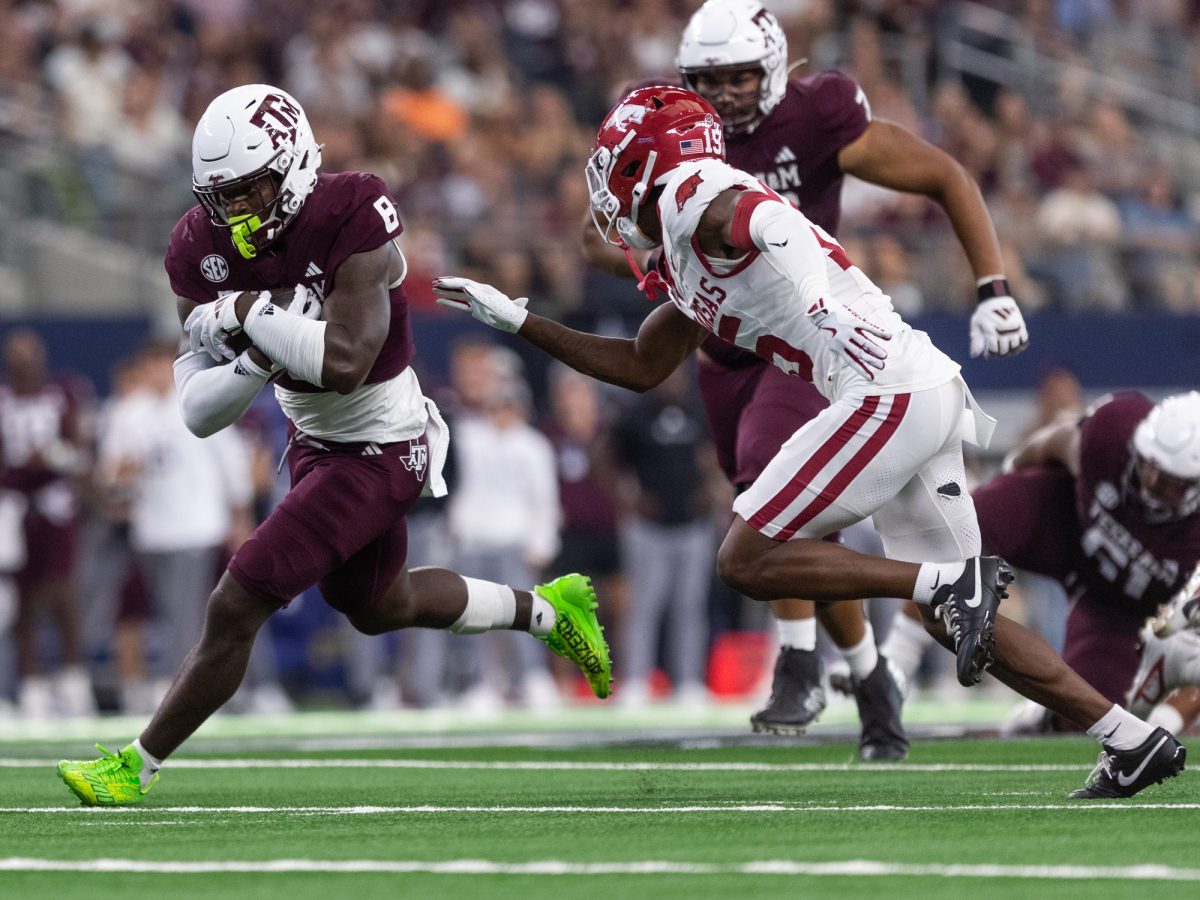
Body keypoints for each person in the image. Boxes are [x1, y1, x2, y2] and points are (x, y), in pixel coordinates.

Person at [434, 84, 1184, 799]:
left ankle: (938, 587)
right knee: (961, 620)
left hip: (884, 388)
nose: (604, 195)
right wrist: (520, 322)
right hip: (914, 388)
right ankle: (1129, 739)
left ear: (647, 163)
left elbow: (770, 220)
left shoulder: (701, 197)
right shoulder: (686, 245)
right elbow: (637, 365)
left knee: (747, 557)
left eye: (613, 172)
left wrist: (819, 302)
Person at [57, 84, 611, 807]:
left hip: (384, 442)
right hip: (316, 439)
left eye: (250, 190)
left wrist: (253, 313)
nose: (235, 213)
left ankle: (135, 766)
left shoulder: (352, 209)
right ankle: (550, 612)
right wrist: (254, 359)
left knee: (238, 600)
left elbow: (346, 362)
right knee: (380, 604)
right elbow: (196, 413)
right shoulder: (198, 245)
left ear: (290, 167)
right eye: (220, 196)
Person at [581, 0, 1025, 757]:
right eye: (707, 78)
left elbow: (941, 173)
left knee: (765, 498)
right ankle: (869, 674)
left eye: (738, 75)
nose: (722, 93)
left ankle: (795, 661)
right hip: (721, 349)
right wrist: (655, 251)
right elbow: (602, 234)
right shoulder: (667, 135)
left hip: (811, 340)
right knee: (781, 533)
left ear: (775, 68)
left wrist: (993, 285)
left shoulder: (817, 117)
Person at [974, 391, 1200, 734]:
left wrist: (1165, 722)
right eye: (1150, 465)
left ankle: (1046, 716)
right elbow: (1061, 440)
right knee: (958, 528)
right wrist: (1013, 472)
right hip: (1064, 525)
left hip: (1119, 610)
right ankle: (896, 660)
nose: (1152, 483)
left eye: (1170, 481)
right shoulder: (1115, 429)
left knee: (1092, 716)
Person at [0, 329, 95, 718]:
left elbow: (81, 450)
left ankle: (73, 680)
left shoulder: (63, 392)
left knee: (61, 594)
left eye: (29, 352)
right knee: (21, 600)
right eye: (16, 353)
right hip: (14, 507)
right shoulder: (4, 399)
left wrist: (53, 457)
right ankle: (33, 683)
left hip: (56, 505)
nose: (23, 360)